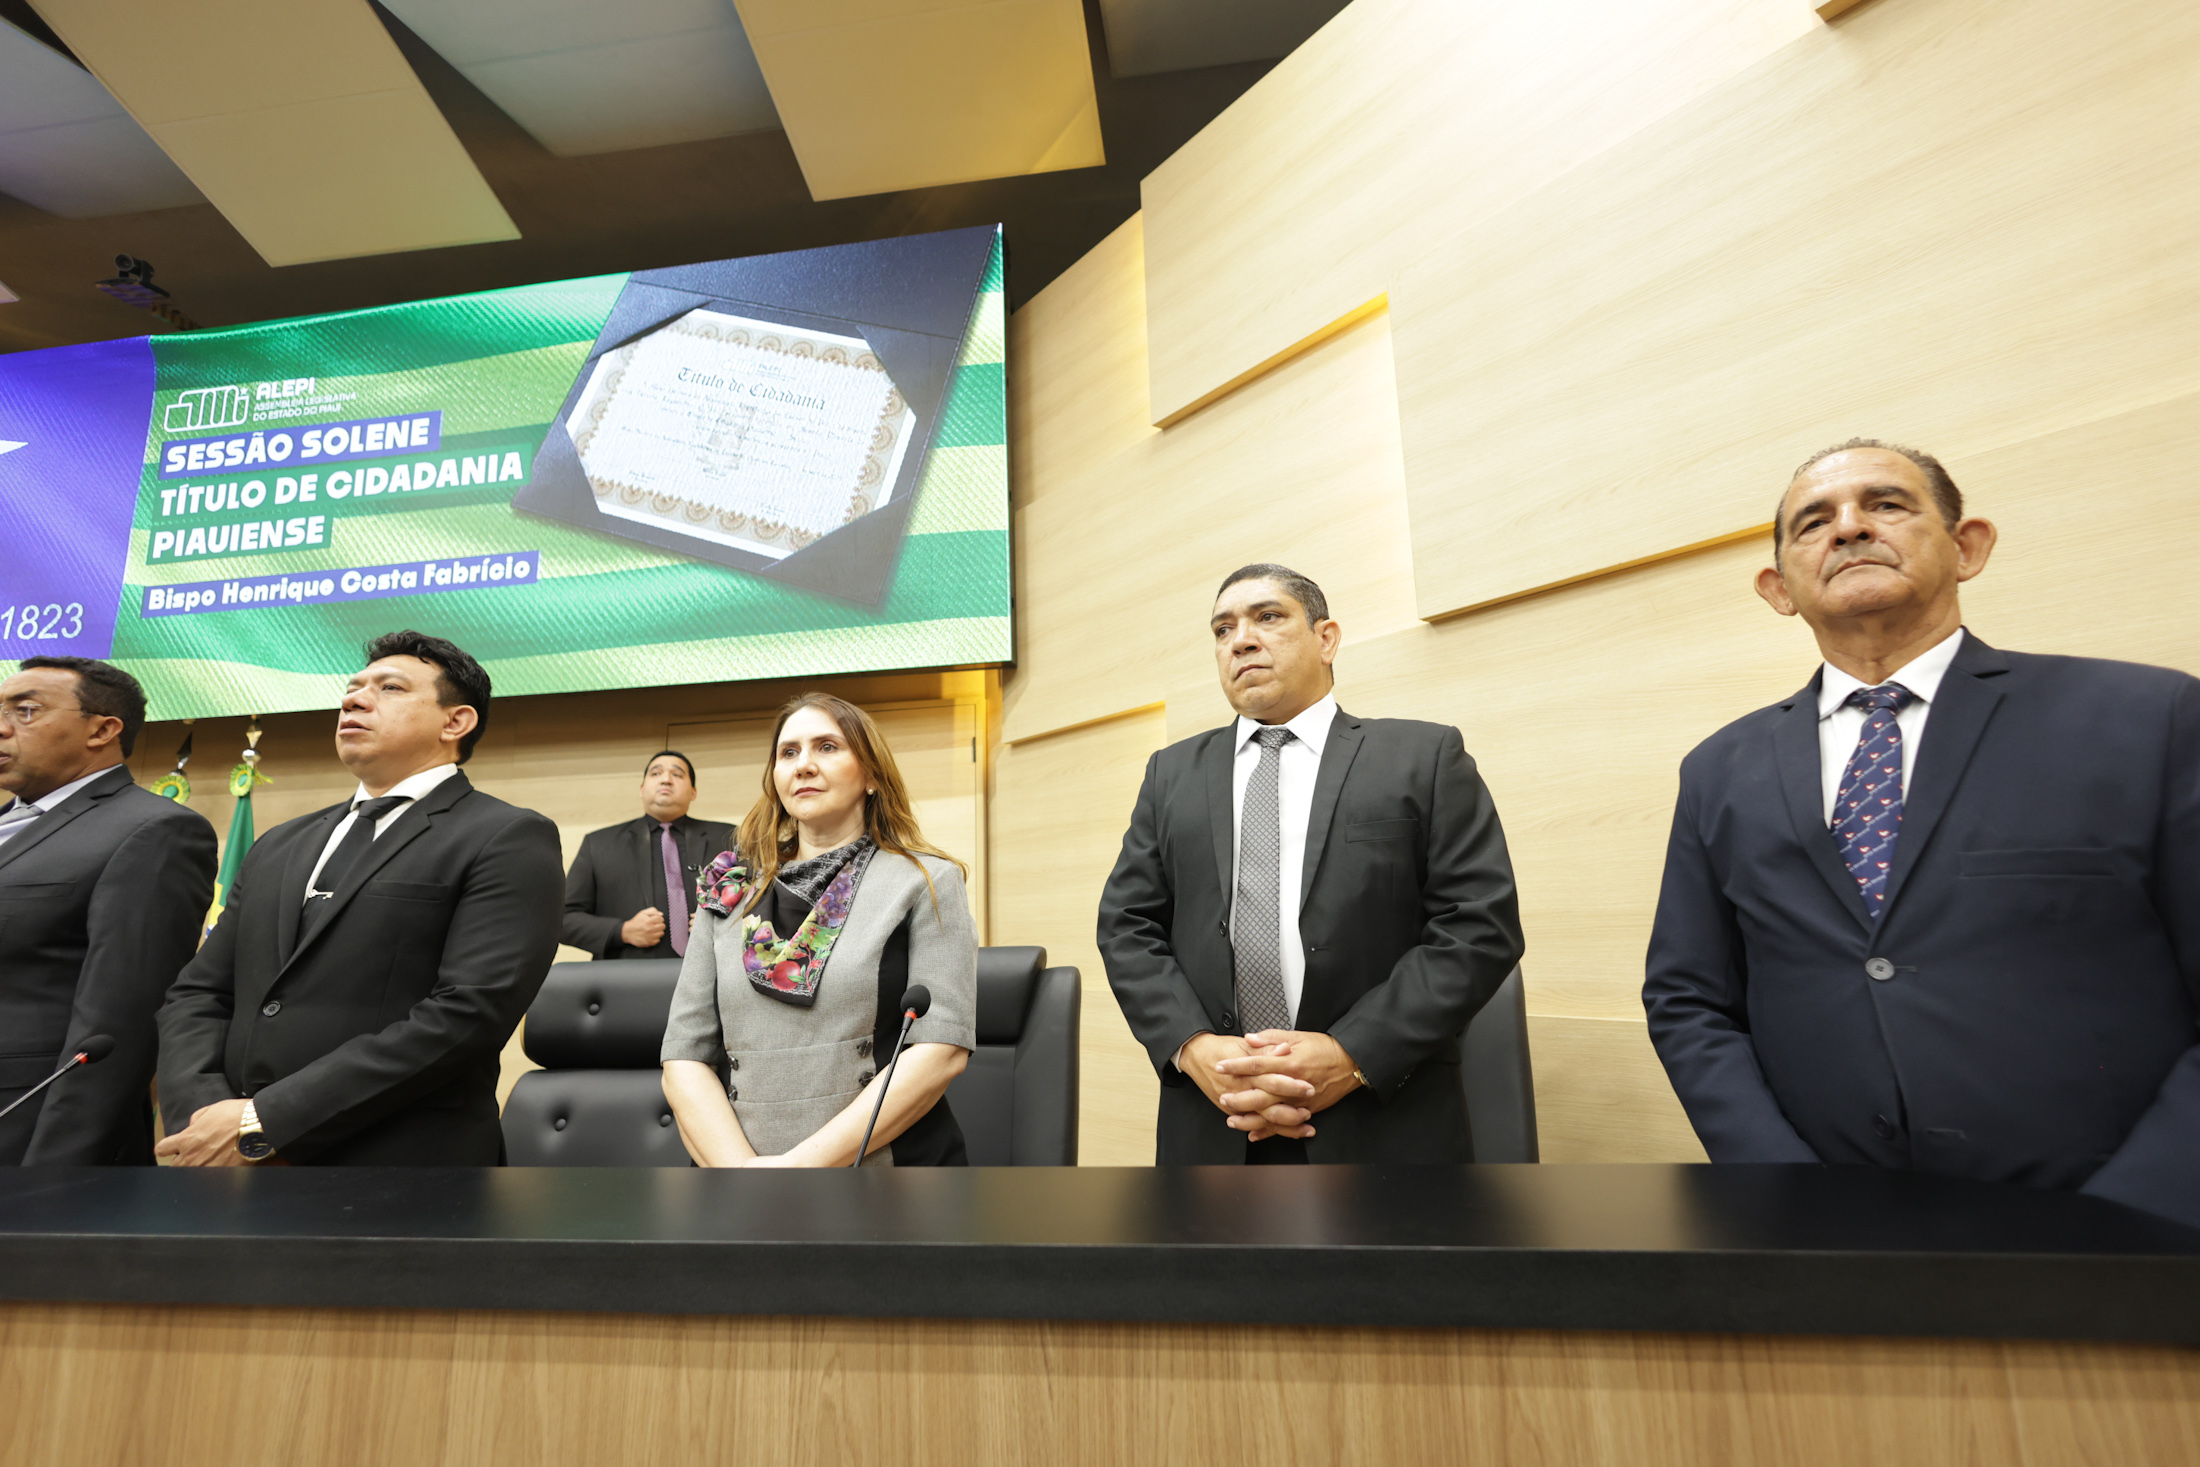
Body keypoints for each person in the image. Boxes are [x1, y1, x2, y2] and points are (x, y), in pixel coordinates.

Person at [1645, 439, 2200, 1228]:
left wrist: (2140, 1217)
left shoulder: (2149, 720)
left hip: (2115, 1230)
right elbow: (1689, 997)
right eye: (1813, 522)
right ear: (1778, 588)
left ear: (1967, 547)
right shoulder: (1718, 769)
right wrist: (1780, 1185)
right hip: (1827, 1228)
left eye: (1886, 504)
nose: (1848, 527)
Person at [1098, 564, 1524, 1164]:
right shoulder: (1170, 775)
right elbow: (1126, 925)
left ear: (1326, 638)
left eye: (1267, 617)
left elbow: (1479, 927)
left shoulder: (1423, 757)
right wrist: (1193, 1048)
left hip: (1380, 1125)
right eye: (1223, 629)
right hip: (1217, 1122)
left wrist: (1352, 1054)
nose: (1241, 640)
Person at [155, 631, 563, 1166]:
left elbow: (469, 1012)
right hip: (226, 1162)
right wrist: (208, 1116)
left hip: (399, 1167)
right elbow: (199, 993)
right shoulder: (280, 843)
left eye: (390, 688)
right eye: (351, 689)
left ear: (455, 722)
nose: (354, 701)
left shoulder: (506, 836)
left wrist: (267, 1121)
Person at [660, 693, 975, 1166]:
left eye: (827, 747)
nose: (803, 765)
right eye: (788, 753)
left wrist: (796, 1170)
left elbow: (941, 1050)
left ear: (871, 774)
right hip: (738, 1180)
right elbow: (684, 1056)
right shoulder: (729, 888)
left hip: (888, 1179)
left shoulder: (925, 881)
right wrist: (742, 1174)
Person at [0, 657, 214, 1164]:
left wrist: (55, 1173)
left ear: (102, 730)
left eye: (25, 711)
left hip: (28, 1136)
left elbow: (120, 1023)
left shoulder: (154, 830)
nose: (3, 727)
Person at [561, 751, 733, 962]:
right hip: (628, 975)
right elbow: (563, 920)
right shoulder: (598, 844)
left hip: (714, 971)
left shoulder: (728, 839)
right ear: (642, 790)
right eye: (656, 773)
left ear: (693, 792)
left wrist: (724, 924)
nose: (666, 779)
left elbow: (759, 906)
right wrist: (622, 931)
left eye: (677, 774)